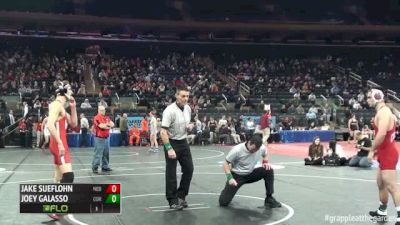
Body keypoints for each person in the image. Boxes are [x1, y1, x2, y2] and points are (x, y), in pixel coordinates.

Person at [219, 134, 281, 208]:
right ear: (249, 142)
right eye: (253, 149)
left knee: (268, 170)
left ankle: (269, 198)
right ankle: (226, 191)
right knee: (223, 202)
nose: (254, 151)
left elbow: (265, 153)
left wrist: (265, 162)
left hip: (250, 173)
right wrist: (230, 178)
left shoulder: (261, 148)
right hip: (237, 176)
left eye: (256, 150)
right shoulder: (237, 150)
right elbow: (225, 163)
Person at [366, 89, 400, 224]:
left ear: (376, 97)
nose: (367, 100)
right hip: (384, 152)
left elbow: (381, 135)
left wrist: (371, 150)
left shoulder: (384, 112)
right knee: (381, 183)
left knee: (391, 186)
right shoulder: (382, 112)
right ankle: (382, 212)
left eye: (369, 97)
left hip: (388, 153)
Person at [47, 81, 78, 220]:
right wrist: (59, 144)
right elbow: (49, 124)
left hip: (60, 144)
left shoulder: (61, 107)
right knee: (69, 176)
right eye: (70, 89)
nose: (72, 91)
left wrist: (73, 107)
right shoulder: (56, 105)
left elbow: (74, 124)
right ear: (64, 91)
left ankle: (54, 206)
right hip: (59, 145)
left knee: (59, 178)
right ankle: (56, 207)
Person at [160, 85, 193, 210]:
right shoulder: (169, 111)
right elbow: (163, 132)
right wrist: (169, 148)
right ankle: (172, 200)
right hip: (171, 142)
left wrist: (189, 127)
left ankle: (181, 195)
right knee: (171, 173)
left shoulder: (188, 109)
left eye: (187, 96)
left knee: (189, 169)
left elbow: (187, 123)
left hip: (183, 142)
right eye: (183, 96)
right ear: (176, 96)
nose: (185, 98)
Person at [92, 106, 114, 174]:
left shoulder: (106, 117)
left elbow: (112, 124)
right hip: (99, 138)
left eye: (104, 110)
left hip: (107, 138)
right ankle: (95, 167)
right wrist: (108, 125)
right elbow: (101, 126)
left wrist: (107, 125)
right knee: (98, 154)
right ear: (98, 110)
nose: (103, 111)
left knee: (106, 153)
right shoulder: (96, 118)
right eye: (101, 110)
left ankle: (105, 166)